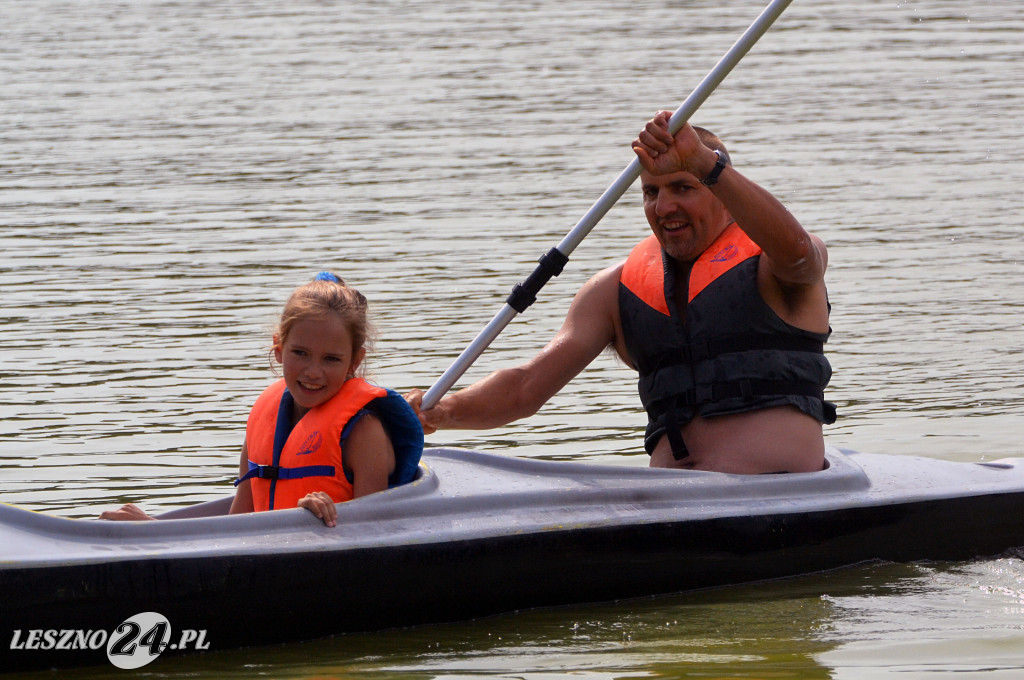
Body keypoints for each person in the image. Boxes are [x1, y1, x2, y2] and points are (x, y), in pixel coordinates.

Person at [406, 111, 835, 474]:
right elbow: (526, 387)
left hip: (789, 495)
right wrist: (446, 411)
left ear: (722, 192)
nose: (664, 207)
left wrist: (707, 163)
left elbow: (800, 256)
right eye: (651, 192)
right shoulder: (614, 289)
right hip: (674, 507)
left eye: (683, 187)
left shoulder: (779, 262)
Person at [100, 272, 423, 525]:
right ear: (279, 350)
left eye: (331, 359)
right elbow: (239, 527)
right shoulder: (263, 422)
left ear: (354, 361)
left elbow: (376, 535)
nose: (313, 372)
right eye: (300, 353)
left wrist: (311, 518)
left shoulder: (364, 432)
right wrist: (151, 529)